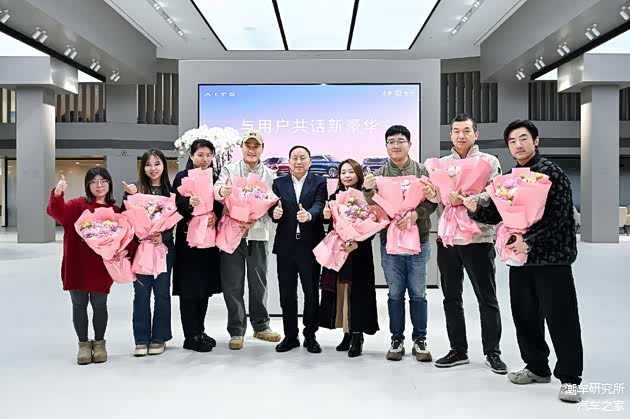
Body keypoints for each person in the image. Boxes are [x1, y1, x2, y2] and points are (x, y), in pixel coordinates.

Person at [466, 119, 583, 403]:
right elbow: (497, 214)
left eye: (523, 139)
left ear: (536, 141)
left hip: (552, 259)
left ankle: (570, 379)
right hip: (519, 259)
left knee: (561, 318)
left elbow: (559, 217)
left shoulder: (551, 173)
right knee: (525, 315)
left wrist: (529, 240)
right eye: (512, 141)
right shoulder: (509, 177)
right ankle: (537, 367)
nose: (518, 145)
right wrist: (474, 209)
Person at [423, 114, 507, 374]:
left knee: (487, 297)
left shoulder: (489, 161)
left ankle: (492, 352)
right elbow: (435, 198)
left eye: (467, 131)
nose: (461, 135)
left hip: (479, 238)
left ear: (475, 134)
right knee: (451, 297)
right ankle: (458, 349)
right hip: (448, 239)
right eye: (456, 131)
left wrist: (470, 198)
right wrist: (433, 194)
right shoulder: (440, 164)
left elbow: (494, 193)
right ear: (450, 134)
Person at [363, 125, 437, 362]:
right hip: (390, 242)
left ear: (409, 144)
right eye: (391, 141)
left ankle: (420, 339)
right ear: (386, 146)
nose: (396, 145)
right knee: (395, 293)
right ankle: (396, 339)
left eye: (400, 140)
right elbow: (372, 204)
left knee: (418, 293)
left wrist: (416, 214)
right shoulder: (379, 174)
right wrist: (367, 190)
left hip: (420, 240)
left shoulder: (422, 171)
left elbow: (433, 201)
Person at [47, 167, 133, 365]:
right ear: (88, 185)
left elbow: (128, 235)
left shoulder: (115, 211)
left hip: (100, 267)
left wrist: (124, 250)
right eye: (93, 182)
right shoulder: (78, 205)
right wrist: (58, 194)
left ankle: (100, 343)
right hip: (77, 263)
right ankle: (84, 345)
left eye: (103, 181)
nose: (99, 185)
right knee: (79, 305)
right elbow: (58, 213)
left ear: (109, 184)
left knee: (99, 305)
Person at [214, 130, 281, 350]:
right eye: (248, 146)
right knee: (232, 284)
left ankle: (261, 326)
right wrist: (223, 190)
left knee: (258, 283)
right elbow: (217, 190)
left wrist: (257, 220)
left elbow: (273, 205)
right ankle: (236, 330)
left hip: (258, 235)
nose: (251, 150)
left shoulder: (270, 174)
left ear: (262, 149)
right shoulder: (230, 169)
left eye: (256, 146)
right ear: (241, 147)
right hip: (232, 234)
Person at [269, 145, 327, 353]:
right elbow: (272, 208)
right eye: (295, 158)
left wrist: (309, 215)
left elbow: (320, 204)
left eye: (303, 158)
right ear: (289, 161)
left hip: (310, 246)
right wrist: (274, 214)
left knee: (311, 292)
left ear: (310, 161)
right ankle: (290, 336)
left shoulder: (319, 181)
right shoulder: (279, 183)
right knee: (287, 294)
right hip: (286, 246)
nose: (299, 161)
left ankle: (310, 336)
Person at [319, 159, 379, 357]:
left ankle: (357, 335)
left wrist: (358, 243)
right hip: (341, 250)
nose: (346, 175)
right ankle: (346, 333)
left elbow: (374, 223)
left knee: (358, 294)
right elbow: (332, 226)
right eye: (343, 172)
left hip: (359, 253)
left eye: (351, 171)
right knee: (341, 292)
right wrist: (326, 216)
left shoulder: (366, 196)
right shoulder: (335, 196)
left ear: (358, 174)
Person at [121, 149, 175, 357]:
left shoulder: (171, 190)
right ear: (143, 167)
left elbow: (176, 218)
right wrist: (129, 196)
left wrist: (164, 236)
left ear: (164, 166)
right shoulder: (135, 190)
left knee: (162, 293)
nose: (153, 168)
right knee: (141, 294)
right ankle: (141, 338)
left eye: (157, 163)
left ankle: (160, 337)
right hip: (142, 248)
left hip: (163, 248)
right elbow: (125, 217)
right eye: (148, 164)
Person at [172, 139, 222, 352]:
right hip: (188, 242)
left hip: (208, 241)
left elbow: (221, 204)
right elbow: (174, 205)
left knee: (204, 288)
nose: (204, 159)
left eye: (208, 155)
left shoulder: (215, 177)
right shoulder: (182, 177)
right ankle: (190, 335)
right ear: (191, 156)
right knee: (189, 289)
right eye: (200, 155)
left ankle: (200, 331)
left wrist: (216, 216)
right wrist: (188, 205)